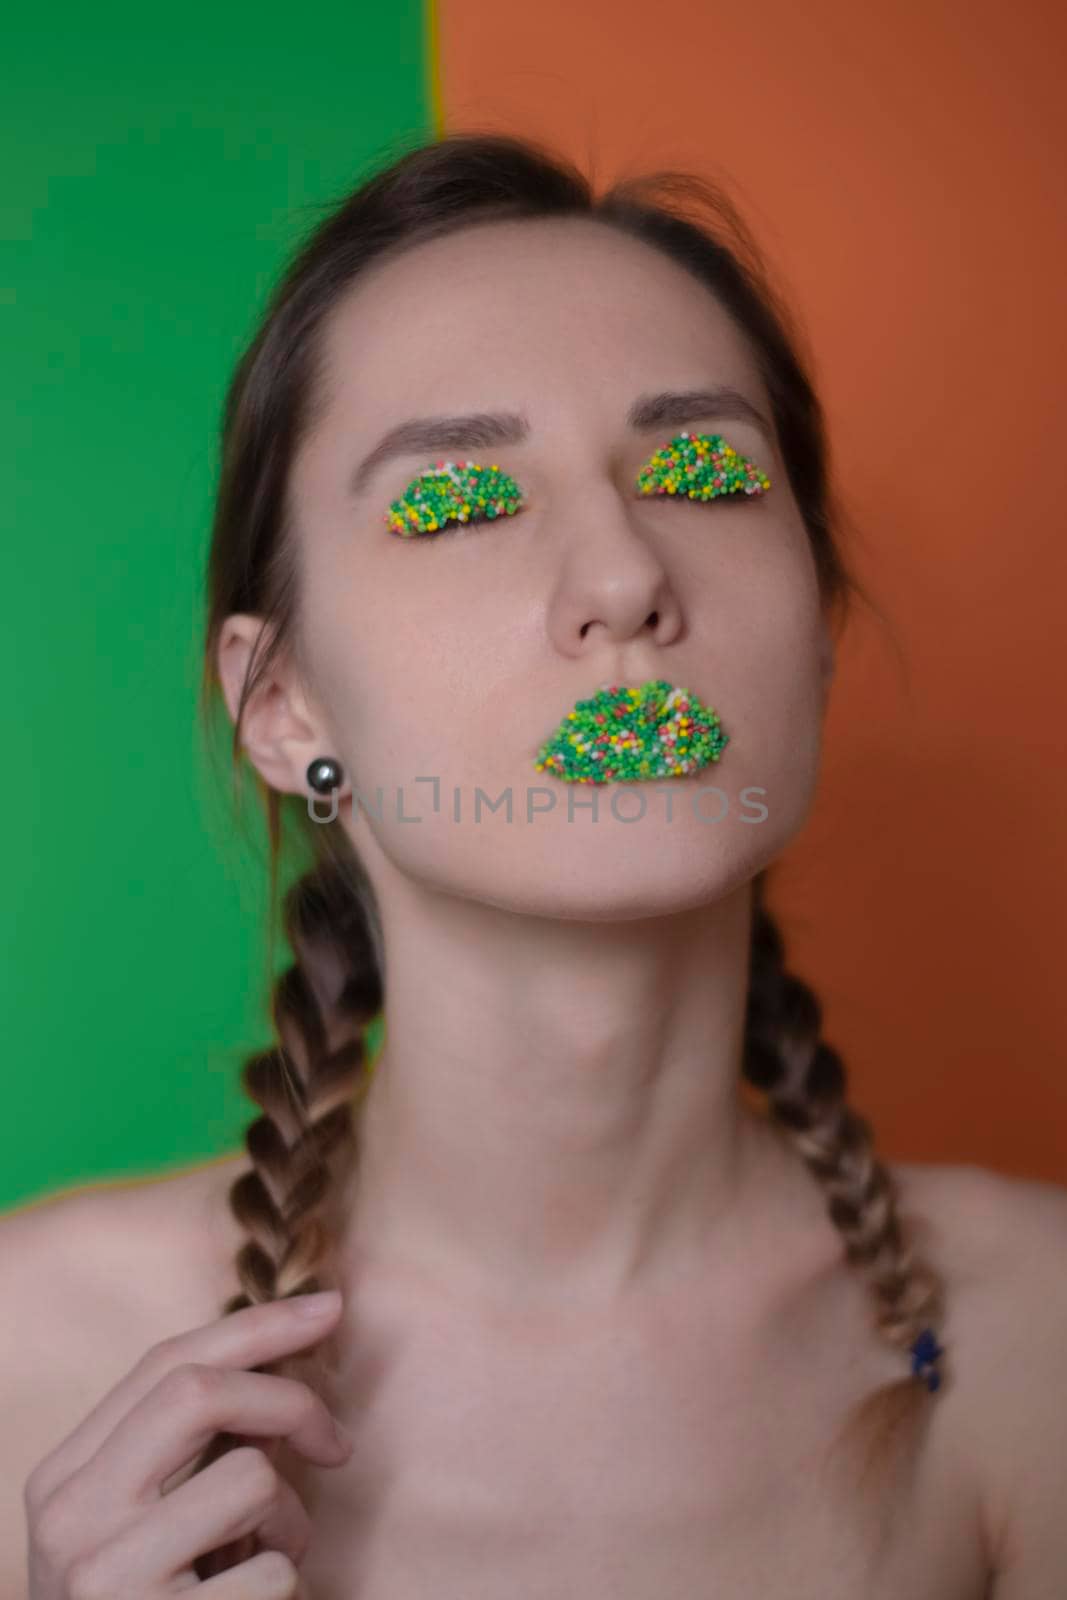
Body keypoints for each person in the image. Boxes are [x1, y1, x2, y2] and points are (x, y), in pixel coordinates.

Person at [15, 130, 1067, 1597]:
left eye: (704, 471)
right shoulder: (30, 1361)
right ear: (281, 704)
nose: (628, 577)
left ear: (815, 637)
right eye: (458, 501)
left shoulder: (1044, 1353)